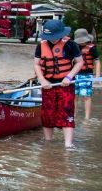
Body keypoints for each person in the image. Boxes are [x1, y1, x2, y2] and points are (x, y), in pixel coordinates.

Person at [34, 19, 84, 148]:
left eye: (55, 37)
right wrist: (42, 80)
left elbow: (79, 62)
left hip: (66, 84)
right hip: (48, 85)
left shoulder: (71, 45)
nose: (52, 39)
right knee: (47, 113)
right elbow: (36, 64)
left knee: (67, 112)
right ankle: (48, 142)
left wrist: (69, 76)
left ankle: (68, 144)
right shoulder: (41, 45)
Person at [72, 28, 100, 120]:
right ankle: (74, 115)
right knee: (74, 96)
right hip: (74, 75)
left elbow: (97, 62)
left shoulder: (92, 48)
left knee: (86, 96)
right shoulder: (74, 47)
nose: (81, 43)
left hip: (87, 75)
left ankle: (87, 118)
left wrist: (97, 76)